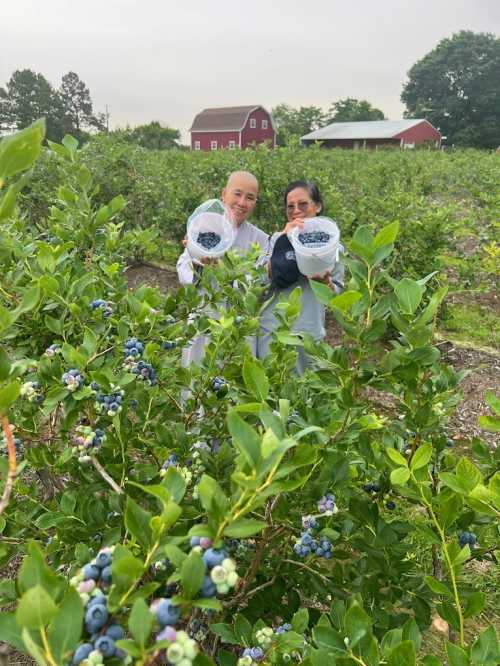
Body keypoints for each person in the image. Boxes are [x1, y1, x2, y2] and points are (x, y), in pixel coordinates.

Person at [177, 170, 269, 365]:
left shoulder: (260, 240)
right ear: (223, 194)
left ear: (255, 203)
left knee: (233, 380)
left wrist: (223, 271)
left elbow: (255, 286)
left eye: (250, 197)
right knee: (197, 378)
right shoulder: (204, 227)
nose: (242, 202)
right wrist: (196, 261)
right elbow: (183, 269)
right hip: (204, 318)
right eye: (237, 194)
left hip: (238, 326)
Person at [258, 180, 344, 374]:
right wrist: (283, 241)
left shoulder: (333, 247)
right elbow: (257, 281)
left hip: (308, 334)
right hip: (273, 332)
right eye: (290, 206)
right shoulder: (274, 240)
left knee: (306, 396)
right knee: (272, 392)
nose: (296, 210)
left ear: (318, 206)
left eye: (303, 204)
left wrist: (326, 284)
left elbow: (337, 296)